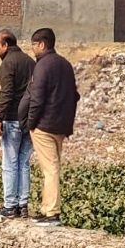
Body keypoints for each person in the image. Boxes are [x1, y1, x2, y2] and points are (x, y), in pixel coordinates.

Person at [18, 28, 79, 227]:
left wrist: (30, 123)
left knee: (50, 168)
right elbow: (74, 95)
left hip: (44, 124)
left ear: (42, 44)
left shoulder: (43, 66)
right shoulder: (65, 64)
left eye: (34, 45)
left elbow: (36, 98)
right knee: (52, 166)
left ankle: (52, 211)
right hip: (61, 124)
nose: (33, 49)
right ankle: (45, 208)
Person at [0, 29, 35, 219]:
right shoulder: (30, 62)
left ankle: (10, 205)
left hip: (12, 118)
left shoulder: (8, 63)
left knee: (10, 163)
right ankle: (23, 204)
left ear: (5, 45)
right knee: (24, 163)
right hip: (30, 119)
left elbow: (7, 93)